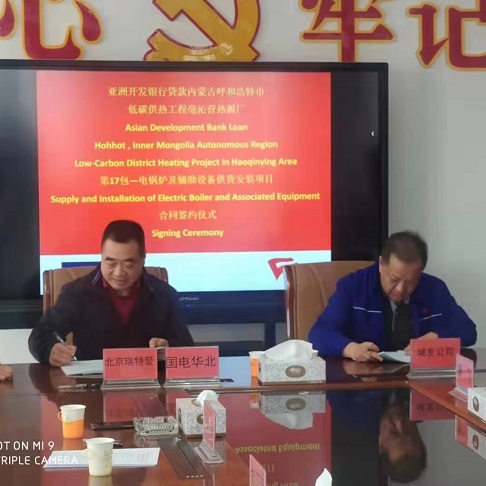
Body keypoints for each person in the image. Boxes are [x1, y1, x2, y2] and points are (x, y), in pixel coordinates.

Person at [29, 220, 194, 366]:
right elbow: (41, 334)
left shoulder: (165, 295)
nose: (119, 273)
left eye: (128, 264)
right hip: (93, 385)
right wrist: (50, 349)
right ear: (101, 256)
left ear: (143, 257)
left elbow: (186, 348)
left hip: (149, 385)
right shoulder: (77, 293)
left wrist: (169, 350)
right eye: (111, 263)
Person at [309, 231, 476, 361]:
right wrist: (351, 349)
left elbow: (468, 331)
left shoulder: (434, 289)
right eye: (394, 280)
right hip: (363, 383)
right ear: (381, 264)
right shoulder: (353, 286)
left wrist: (438, 338)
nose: (401, 289)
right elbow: (319, 333)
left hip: (416, 381)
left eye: (410, 282)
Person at [329, 388, 427, 484]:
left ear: (381, 443)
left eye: (393, 432)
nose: (399, 422)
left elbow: (325, 379)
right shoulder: (422, 398)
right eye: (409, 431)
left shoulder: (349, 407)